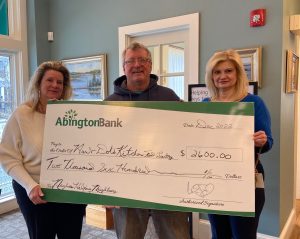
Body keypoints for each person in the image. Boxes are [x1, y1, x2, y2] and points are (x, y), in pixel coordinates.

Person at [105, 42, 191, 239]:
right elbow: (102, 149)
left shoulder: (169, 97)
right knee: (129, 236)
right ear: (124, 67)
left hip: (167, 183)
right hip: (126, 188)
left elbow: (186, 134)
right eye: (131, 60)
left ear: (150, 65)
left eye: (143, 60)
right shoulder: (110, 103)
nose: (137, 65)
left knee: (176, 235)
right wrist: (105, 189)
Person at [0, 61, 86, 239]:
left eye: (60, 82)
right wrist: (30, 186)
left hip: (70, 191)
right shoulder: (21, 115)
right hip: (35, 193)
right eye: (50, 80)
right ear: (38, 83)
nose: (55, 85)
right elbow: (8, 158)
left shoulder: (73, 115)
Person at [203, 49, 273, 239]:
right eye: (217, 72)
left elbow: (268, 142)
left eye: (228, 71)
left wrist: (262, 140)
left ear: (238, 74)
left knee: (243, 235)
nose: (222, 76)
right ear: (211, 76)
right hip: (213, 178)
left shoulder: (253, 102)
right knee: (218, 234)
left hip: (245, 179)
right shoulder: (206, 104)